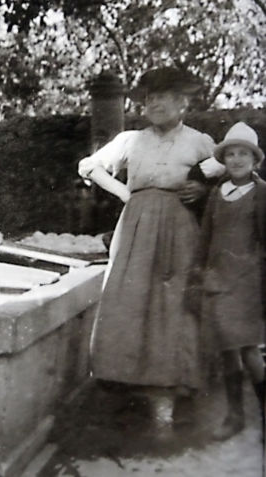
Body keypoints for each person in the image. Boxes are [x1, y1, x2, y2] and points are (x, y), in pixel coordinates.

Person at [78, 67, 224, 434]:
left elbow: (228, 169)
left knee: (172, 306)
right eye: (149, 99)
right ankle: (123, 388)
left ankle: (167, 401)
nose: (154, 103)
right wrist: (127, 194)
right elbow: (89, 167)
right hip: (136, 228)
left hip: (180, 229)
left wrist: (203, 191)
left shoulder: (199, 141)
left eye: (163, 97)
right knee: (127, 300)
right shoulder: (131, 140)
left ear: (182, 103)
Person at [195, 122, 265, 440]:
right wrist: (200, 271)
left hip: (247, 284)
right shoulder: (216, 194)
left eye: (243, 154)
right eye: (231, 154)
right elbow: (205, 239)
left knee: (250, 350)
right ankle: (234, 416)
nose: (237, 159)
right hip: (216, 282)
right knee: (226, 351)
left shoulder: (262, 194)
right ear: (224, 159)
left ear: (254, 159)